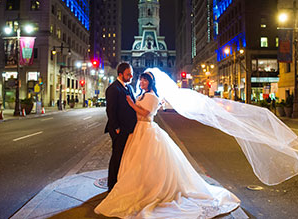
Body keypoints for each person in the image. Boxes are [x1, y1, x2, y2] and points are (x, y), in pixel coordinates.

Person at [95, 71, 240, 218]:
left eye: (144, 81)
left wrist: (132, 104)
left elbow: (146, 113)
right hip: (138, 130)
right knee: (136, 161)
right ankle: (137, 186)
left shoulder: (152, 96)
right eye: (141, 80)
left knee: (149, 161)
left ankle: (150, 188)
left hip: (147, 129)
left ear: (150, 83)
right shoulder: (142, 94)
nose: (141, 83)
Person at [104, 62, 137, 192]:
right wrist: (116, 128)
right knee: (117, 157)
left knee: (125, 156)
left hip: (129, 129)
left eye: (131, 74)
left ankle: (121, 180)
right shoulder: (113, 89)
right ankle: (111, 185)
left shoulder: (129, 88)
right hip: (119, 130)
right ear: (120, 74)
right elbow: (110, 111)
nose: (131, 76)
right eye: (128, 74)